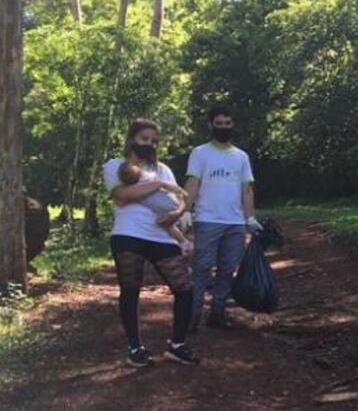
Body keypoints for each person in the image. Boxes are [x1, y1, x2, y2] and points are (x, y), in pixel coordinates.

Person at [102, 119, 199, 367]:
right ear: (132, 139)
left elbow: (178, 199)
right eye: (145, 139)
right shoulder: (115, 166)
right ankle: (135, 348)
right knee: (131, 289)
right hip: (128, 233)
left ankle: (177, 345)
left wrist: (178, 214)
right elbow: (122, 197)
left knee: (184, 288)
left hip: (161, 235)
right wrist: (157, 186)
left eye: (154, 141)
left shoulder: (164, 169)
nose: (150, 144)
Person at [184, 105, 261, 331]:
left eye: (227, 124)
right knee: (202, 268)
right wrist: (185, 210)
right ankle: (192, 315)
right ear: (211, 125)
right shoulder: (200, 153)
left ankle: (218, 313)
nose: (223, 128)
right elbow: (192, 183)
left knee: (228, 270)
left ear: (233, 125)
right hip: (207, 219)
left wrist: (250, 218)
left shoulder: (241, 157)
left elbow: (247, 189)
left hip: (235, 223)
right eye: (219, 124)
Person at [117, 161, 192, 253]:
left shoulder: (134, 190)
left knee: (167, 226)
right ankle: (186, 242)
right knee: (180, 222)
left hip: (161, 209)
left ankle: (183, 242)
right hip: (171, 202)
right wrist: (179, 191)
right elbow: (162, 183)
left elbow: (124, 200)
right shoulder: (147, 178)